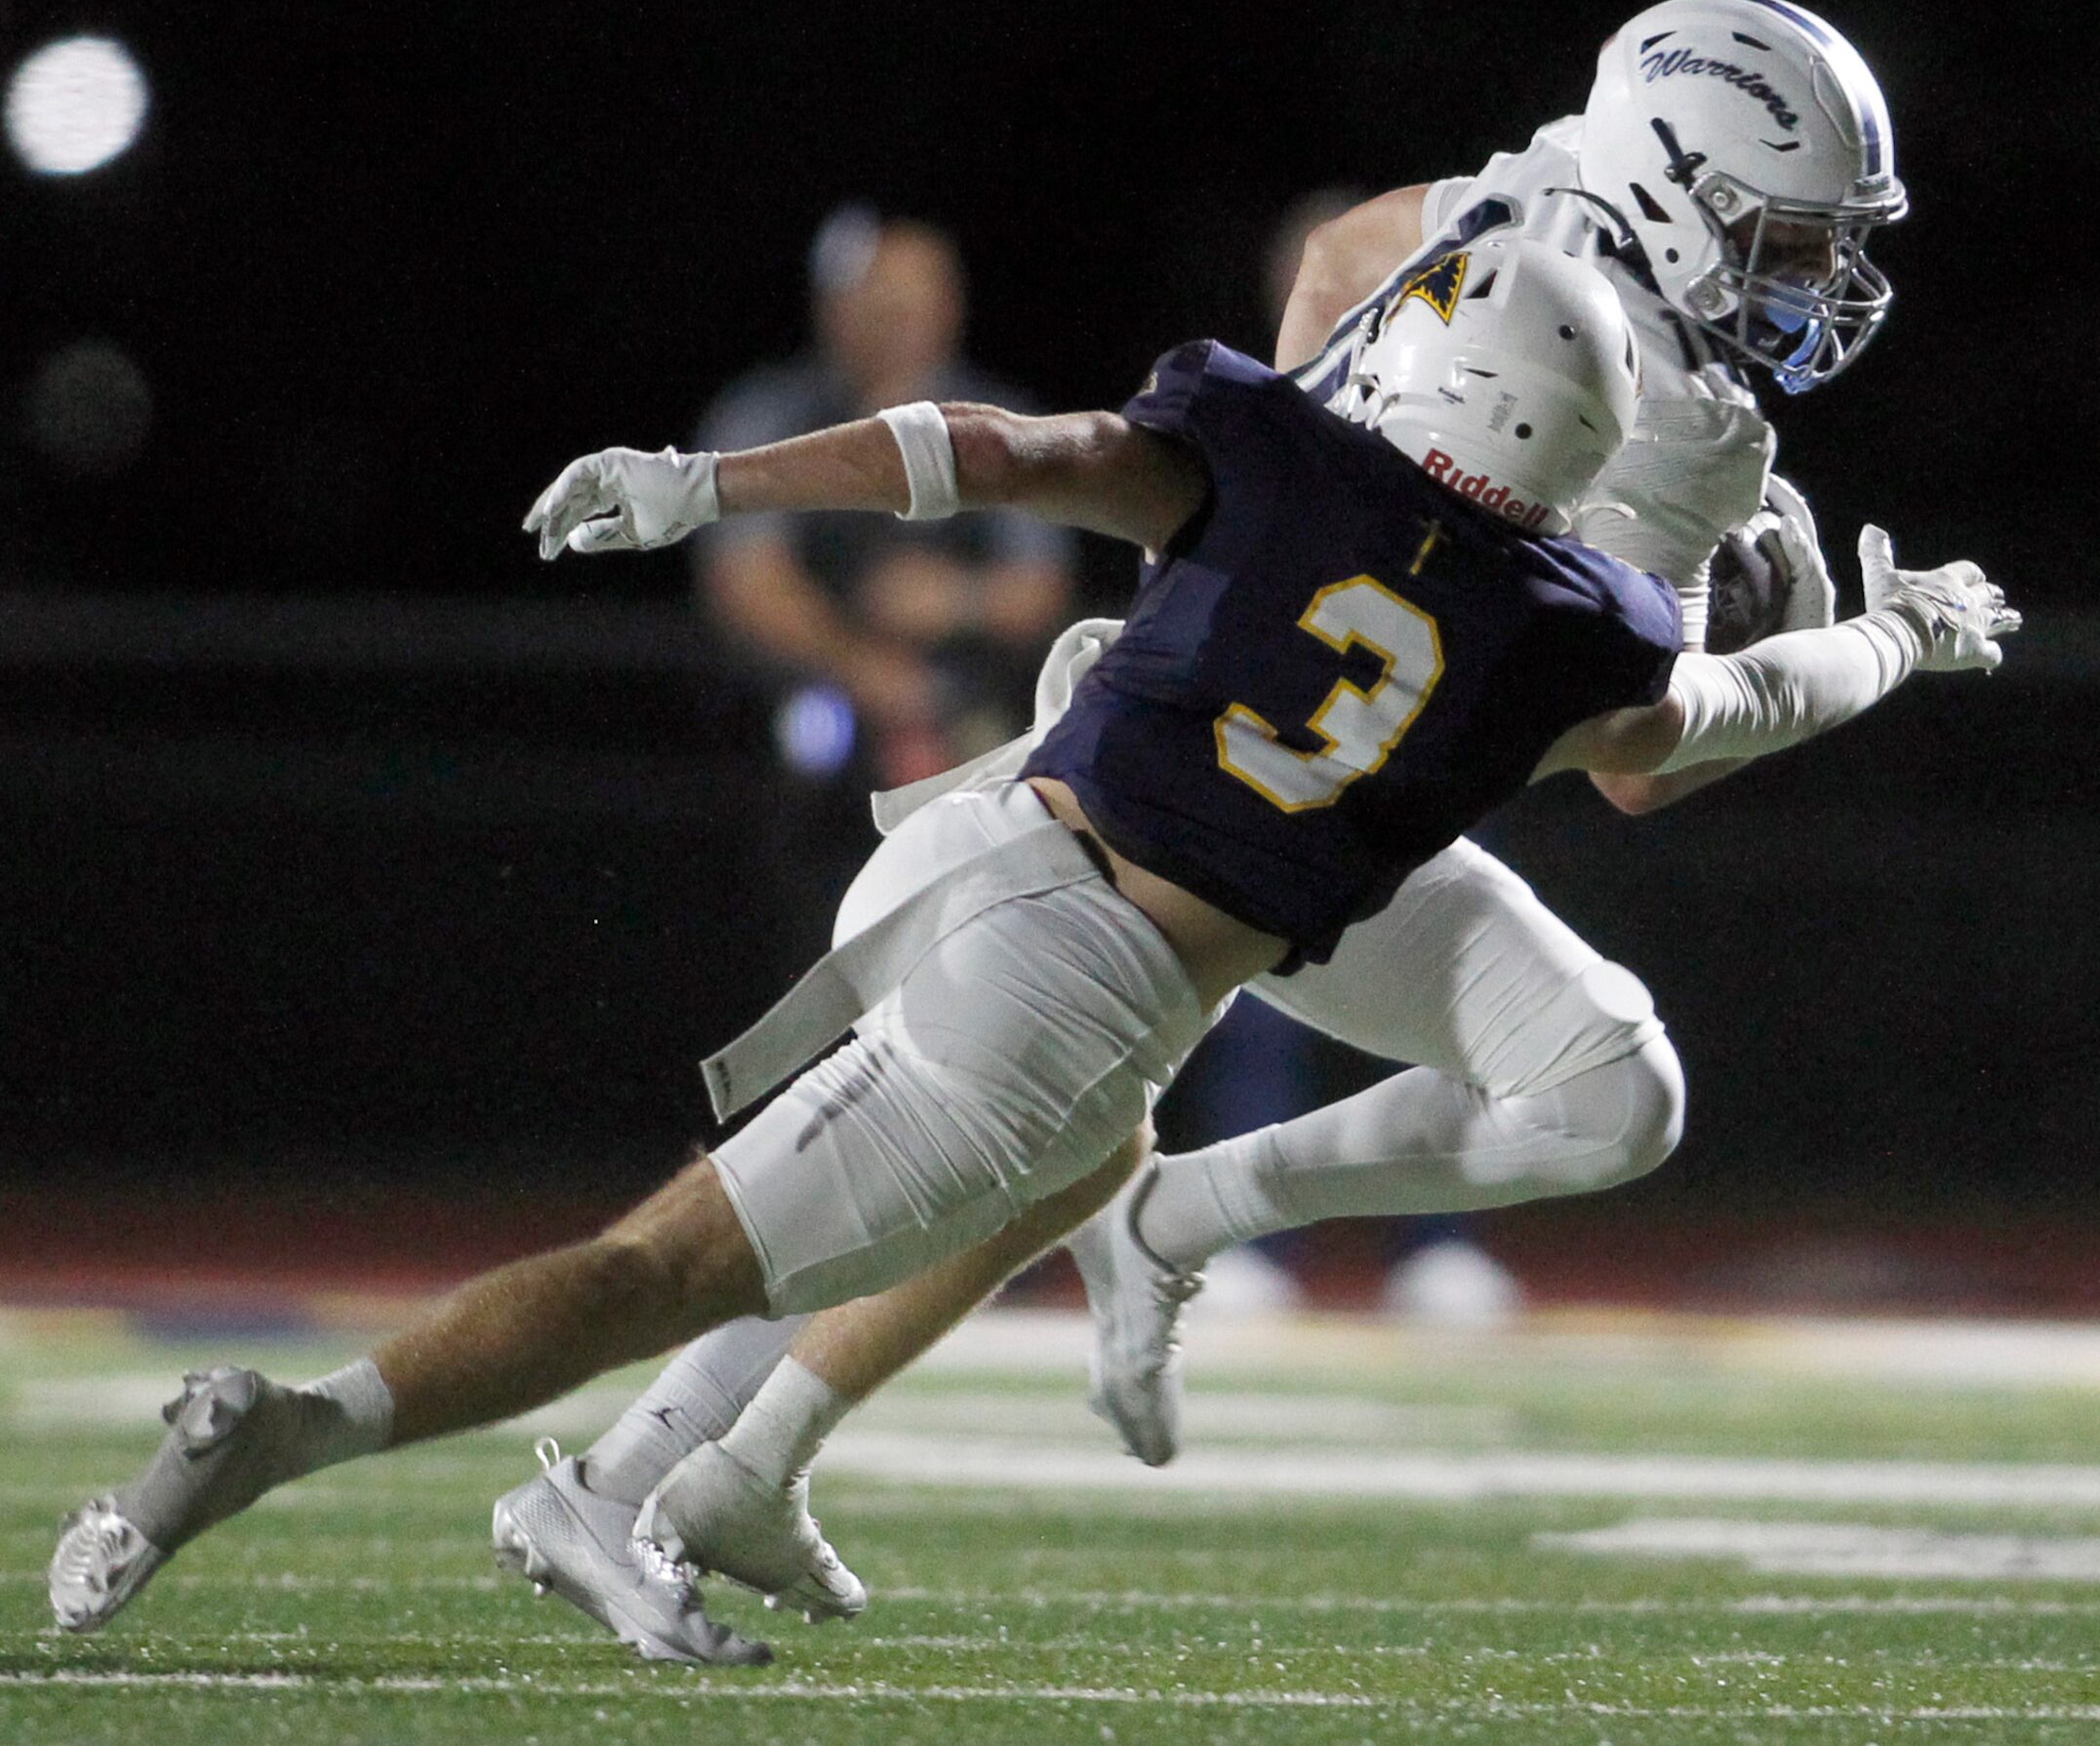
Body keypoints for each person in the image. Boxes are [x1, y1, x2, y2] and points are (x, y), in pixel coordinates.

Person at [49, 233, 2012, 1656]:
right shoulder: (1556, 635)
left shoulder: (1268, 440)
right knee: (671, 1263)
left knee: (1072, 1167)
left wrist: (702, 485)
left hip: (971, 840)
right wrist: (1896, 638)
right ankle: (338, 1443)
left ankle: (671, 1485)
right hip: (1077, 984)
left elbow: (992, 448)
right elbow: (1722, 715)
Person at [451, 0, 1982, 1662]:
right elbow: (1637, 757)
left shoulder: (1515, 197)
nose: (1803, 283)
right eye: (1776, 238)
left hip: (1223, 730)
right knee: (969, 1137)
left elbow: (1334, 256)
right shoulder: (1694, 428)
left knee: (990, 1140)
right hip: (1260, 793)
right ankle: (666, 1452)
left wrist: (1291, 525)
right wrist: (1802, 636)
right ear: (1673, 181)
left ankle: (969, 1325)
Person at [699, 206, 1073, 792]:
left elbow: (1040, 585)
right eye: (879, 304)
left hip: (968, 708)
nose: (899, 324)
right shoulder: (772, 414)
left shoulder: (1002, 424)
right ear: (835, 309)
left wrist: (957, 598)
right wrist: (862, 668)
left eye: (916, 304)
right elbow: (745, 579)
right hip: (814, 707)